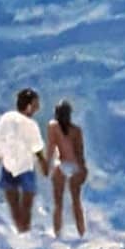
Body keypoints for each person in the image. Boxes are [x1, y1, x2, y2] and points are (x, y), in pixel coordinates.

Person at [0, 88, 48, 234]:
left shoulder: (6, 118)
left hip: (8, 166)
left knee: (14, 205)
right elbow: (37, 149)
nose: (37, 107)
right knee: (26, 205)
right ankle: (24, 232)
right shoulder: (31, 125)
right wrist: (44, 164)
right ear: (29, 106)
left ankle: (21, 232)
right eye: (35, 104)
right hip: (25, 168)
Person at [47, 99, 88, 238]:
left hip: (62, 164)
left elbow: (51, 149)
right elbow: (80, 153)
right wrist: (83, 169)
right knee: (76, 201)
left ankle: (57, 233)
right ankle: (81, 232)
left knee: (58, 202)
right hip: (74, 165)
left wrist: (47, 165)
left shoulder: (53, 127)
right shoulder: (76, 131)